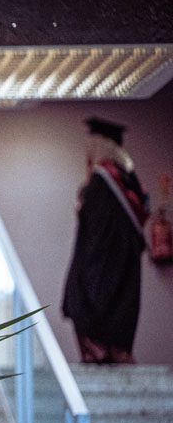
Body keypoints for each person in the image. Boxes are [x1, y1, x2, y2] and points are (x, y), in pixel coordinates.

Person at [63, 117, 148, 364]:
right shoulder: (127, 180)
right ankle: (111, 350)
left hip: (100, 269)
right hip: (123, 271)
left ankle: (98, 349)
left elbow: (96, 234)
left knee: (80, 302)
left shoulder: (102, 181)